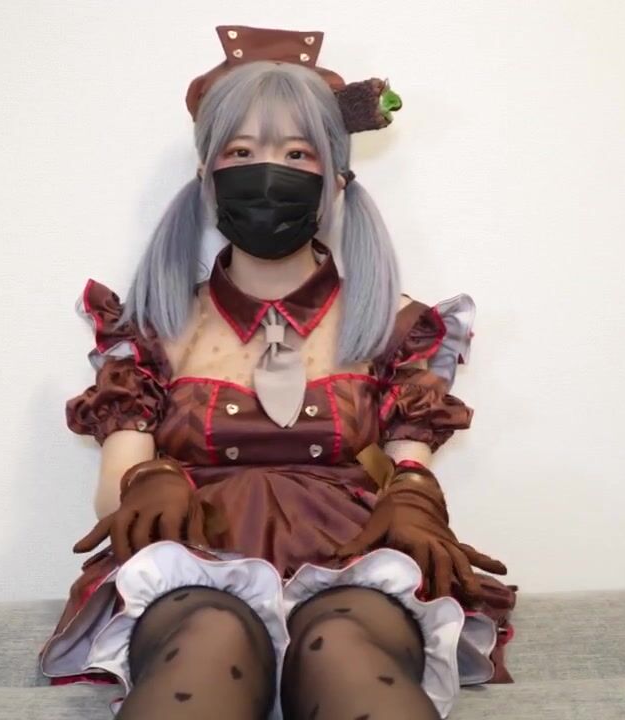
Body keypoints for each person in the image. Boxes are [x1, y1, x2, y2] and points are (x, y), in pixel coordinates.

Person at [39, 25, 517, 720]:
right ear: (206, 176)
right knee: (209, 635)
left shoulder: (397, 327)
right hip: (190, 575)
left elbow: (409, 462)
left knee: (343, 641)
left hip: (356, 571)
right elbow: (114, 488)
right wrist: (149, 481)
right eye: (241, 152)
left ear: (336, 178)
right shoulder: (151, 329)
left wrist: (414, 496)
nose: (268, 171)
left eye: (297, 153)